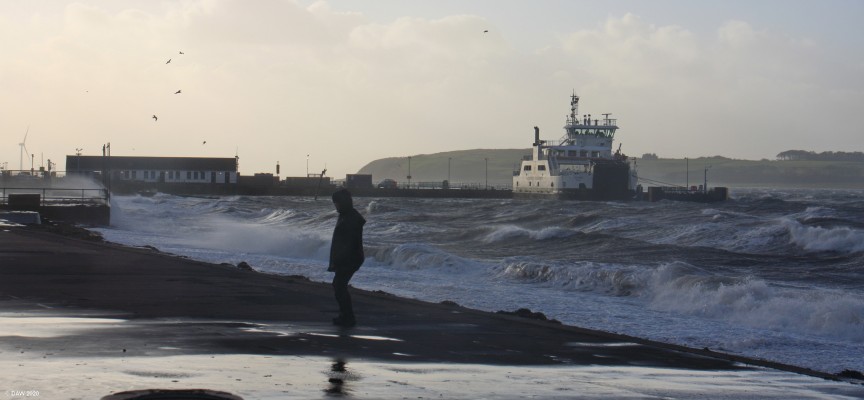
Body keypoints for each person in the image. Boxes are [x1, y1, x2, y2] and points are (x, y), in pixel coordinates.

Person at [328, 188, 366, 327]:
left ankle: (348, 317)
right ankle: (345, 315)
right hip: (347, 258)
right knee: (339, 286)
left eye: (337, 203)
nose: (335, 206)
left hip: (350, 258)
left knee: (339, 286)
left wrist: (341, 258)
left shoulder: (351, 217)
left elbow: (350, 242)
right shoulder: (345, 214)